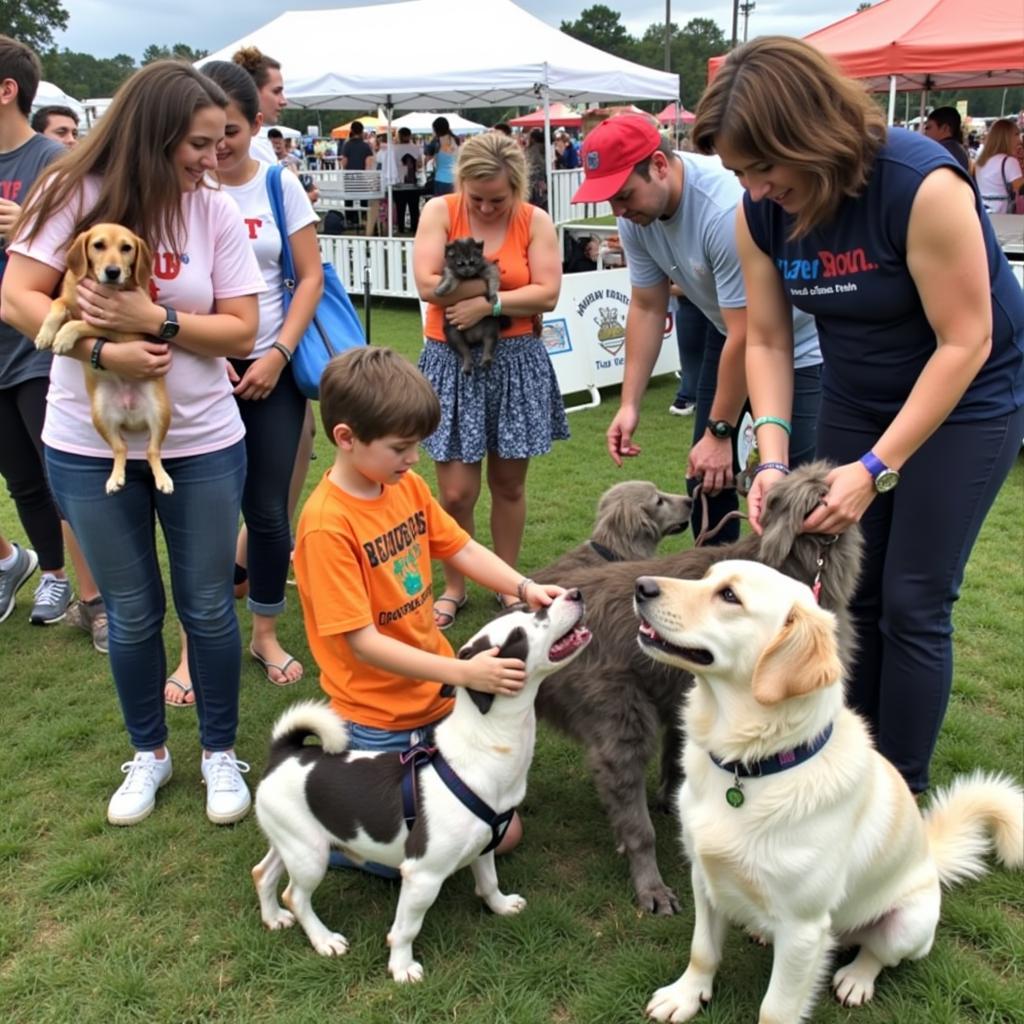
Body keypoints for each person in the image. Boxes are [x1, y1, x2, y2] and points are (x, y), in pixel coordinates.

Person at [692, 36, 1024, 793]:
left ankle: (898, 791)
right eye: (739, 173)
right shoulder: (760, 212)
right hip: (856, 394)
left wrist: (876, 470)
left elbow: (966, 340)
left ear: (806, 138)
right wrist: (771, 455)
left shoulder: (919, 185)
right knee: (844, 588)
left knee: (912, 598)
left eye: (762, 168)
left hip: (968, 398)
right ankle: (850, 766)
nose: (753, 188)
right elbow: (771, 339)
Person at [2, 60, 267, 826]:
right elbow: (17, 298)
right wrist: (97, 352)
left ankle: (220, 749)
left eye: (220, 144)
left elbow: (241, 329)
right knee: (130, 607)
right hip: (86, 442)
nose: (211, 160)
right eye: (197, 145)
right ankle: (148, 752)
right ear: (154, 135)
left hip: (205, 438)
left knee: (210, 607)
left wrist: (152, 323)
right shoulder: (69, 193)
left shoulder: (211, 209)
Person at [293, 346, 564, 867]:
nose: (414, 459)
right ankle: (328, 833)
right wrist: (465, 671)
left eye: (416, 446)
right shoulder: (328, 525)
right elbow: (363, 643)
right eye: (401, 448)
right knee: (426, 850)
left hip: (436, 702)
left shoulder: (403, 486)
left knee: (499, 831)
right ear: (346, 439)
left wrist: (525, 586)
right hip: (376, 717)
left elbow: (458, 545)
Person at [572, 114, 821, 544]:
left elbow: (752, 334)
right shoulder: (636, 217)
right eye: (609, 199)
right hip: (730, 336)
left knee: (791, 496)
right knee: (706, 484)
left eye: (624, 194)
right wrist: (629, 404)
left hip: (800, 349)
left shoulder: (723, 211)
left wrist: (719, 431)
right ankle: (716, 602)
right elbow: (648, 306)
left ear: (659, 166)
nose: (618, 211)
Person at [167, 60, 320, 697]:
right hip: (198, 370)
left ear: (253, 123)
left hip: (269, 371)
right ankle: (190, 648)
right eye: (206, 134)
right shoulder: (178, 189)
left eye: (230, 130)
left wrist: (278, 356)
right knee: (197, 516)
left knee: (266, 512)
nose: (219, 146)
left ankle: (263, 632)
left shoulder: (279, 184)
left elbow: (308, 276)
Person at [413, 131, 567, 624]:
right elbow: (426, 283)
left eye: (497, 198)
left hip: (516, 358)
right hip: (451, 358)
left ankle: (507, 581)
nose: (484, 207)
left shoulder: (534, 220)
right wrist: (492, 289)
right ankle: (455, 584)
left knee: (508, 485)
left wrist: (489, 302)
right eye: (476, 197)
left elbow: (548, 294)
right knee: (456, 491)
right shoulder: (440, 211)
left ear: (516, 188)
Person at [0, 35, 105, 644]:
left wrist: (29, 227)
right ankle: (55, 575)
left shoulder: (53, 162)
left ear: (7, 89)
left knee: (63, 475)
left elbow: (94, 246)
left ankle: (98, 601)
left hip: (40, 343)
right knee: (21, 480)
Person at [232, 46, 286, 165]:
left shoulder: (255, 142)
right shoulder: (255, 144)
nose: (283, 101)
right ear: (254, 91)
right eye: (276, 91)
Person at [974, 118, 1024, 214]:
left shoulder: (980, 160)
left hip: (982, 211)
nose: (1019, 139)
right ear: (1005, 137)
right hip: (1002, 214)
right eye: (1016, 134)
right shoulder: (1009, 162)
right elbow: (1021, 189)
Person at [390, 126, 423, 234]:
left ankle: (401, 229)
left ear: (399, 136)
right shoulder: (416, 148)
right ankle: (415, 228)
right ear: (410, 135)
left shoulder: (394, 148)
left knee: (400, 208)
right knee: (414, 208)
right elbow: (419, 165)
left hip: (399, 182)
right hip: (413, 182)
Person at [922, 106, 970, 172]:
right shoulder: (960, 150)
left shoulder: (939, 152)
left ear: (945, 128)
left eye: (928, 128)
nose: (925, 132)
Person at [426, 116, 458, 196]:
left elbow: (427, 159)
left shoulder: (436, 142)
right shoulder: (456, 139)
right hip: (456, 179)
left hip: (441, 179)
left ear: (436, 129)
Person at [525, 127, 548, 210]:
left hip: (535, 182)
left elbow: (538, 166)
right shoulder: (546, 148)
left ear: (533, 139)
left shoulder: (533, 151)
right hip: (541, 181)